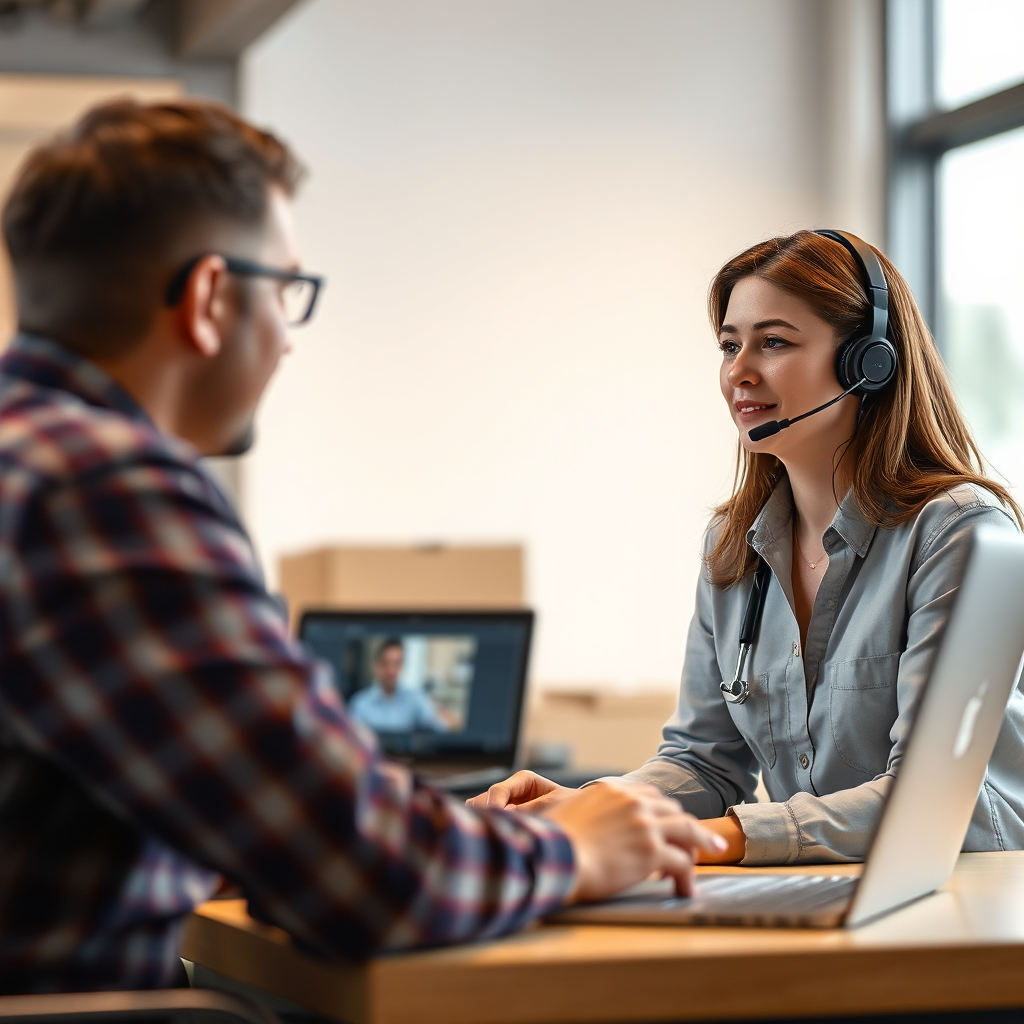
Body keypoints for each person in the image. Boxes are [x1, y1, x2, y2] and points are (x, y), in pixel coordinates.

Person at [0, 99, 725, 993]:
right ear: (210, 300)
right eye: (286, 291)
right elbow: (362, 877)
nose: (287, 341)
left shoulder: (29, 458)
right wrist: (567, 848)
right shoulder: (103, 489)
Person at [471, 229, 1024, 866]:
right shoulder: (733, 547)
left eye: (774, 342)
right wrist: (589, 807)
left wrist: (712, 839)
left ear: (869, 362)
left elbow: (932, 800)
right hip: (817, 889)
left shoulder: (958, 533)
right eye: (730, 345)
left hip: (962, 895)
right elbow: (703, 763)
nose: (739, 372)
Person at [349, 638, 451, 732]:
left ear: (403, 666)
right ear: (376, 665)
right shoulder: (360, 704)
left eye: (397, 664)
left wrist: (443, 716)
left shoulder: (416, 698)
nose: (391, 671)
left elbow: (439, 730)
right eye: (386, 663)